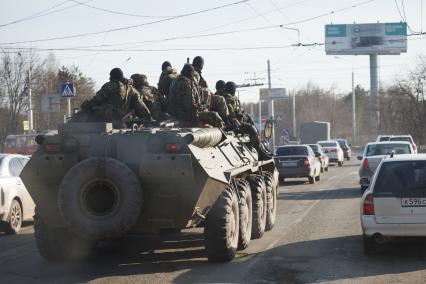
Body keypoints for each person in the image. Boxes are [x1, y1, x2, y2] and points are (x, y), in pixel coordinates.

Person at [75, 68, 151, 128]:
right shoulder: (132, 90)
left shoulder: (110, 85)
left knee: (83, 114)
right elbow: (140, 106)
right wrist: (148, 118)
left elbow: (97, 100)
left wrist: (86, 105)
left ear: (112, 76)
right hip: (122, 119)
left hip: (106, 117)